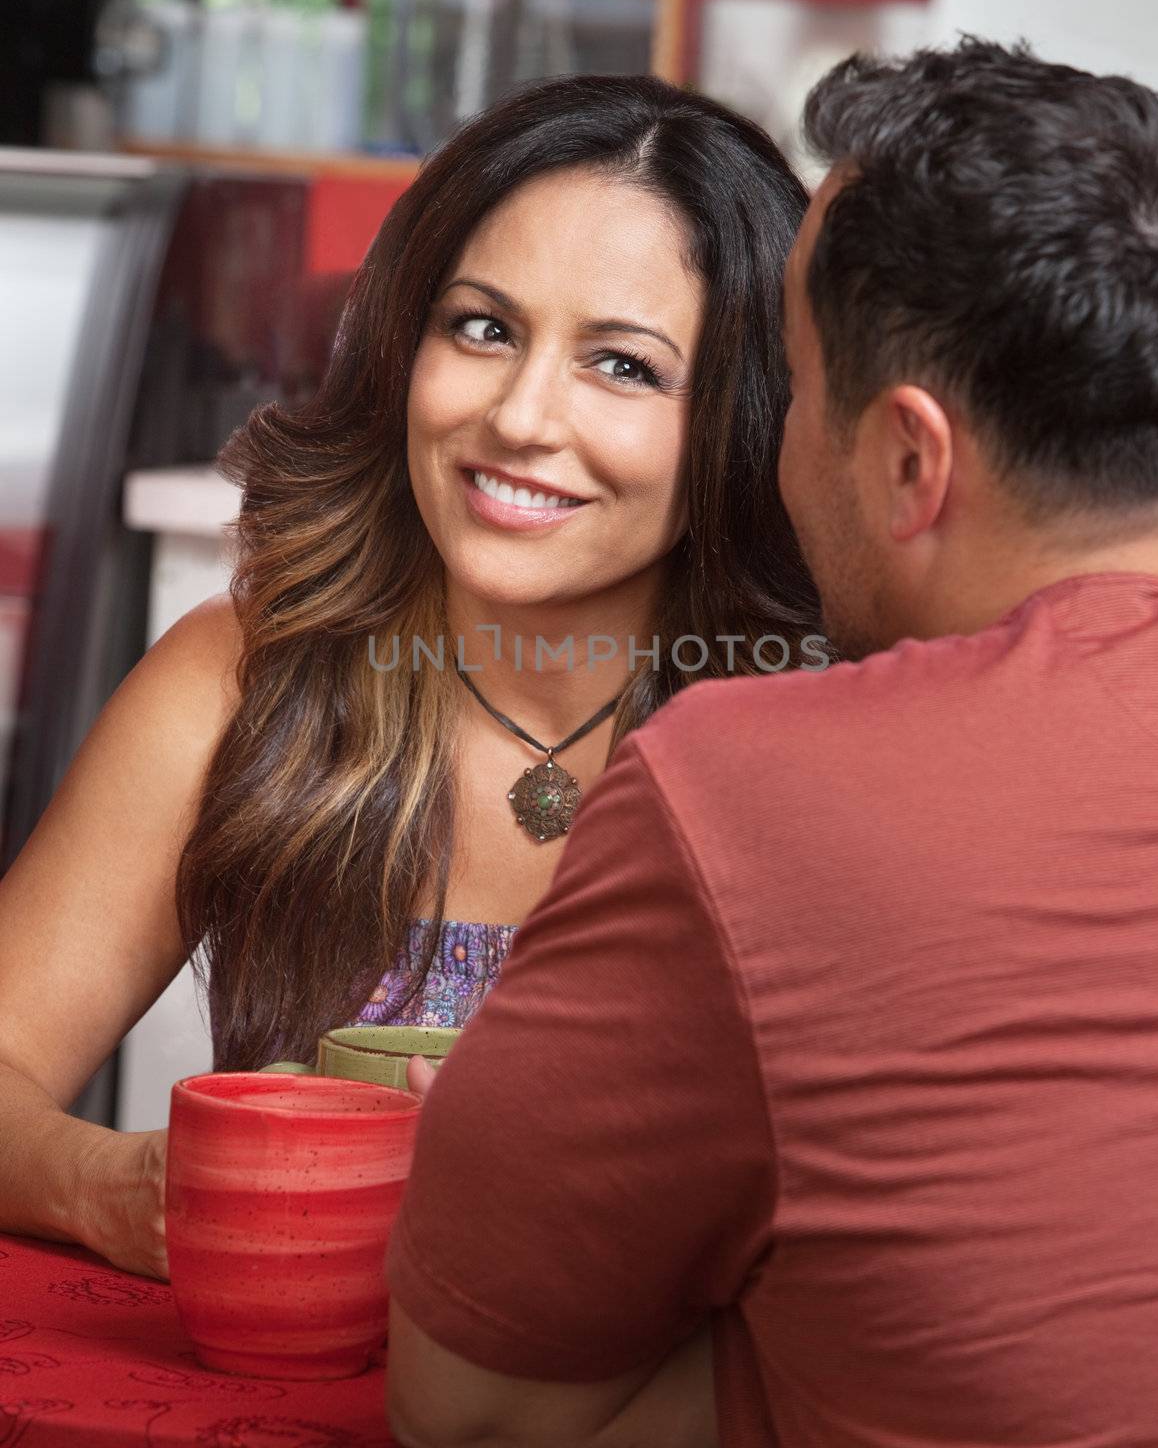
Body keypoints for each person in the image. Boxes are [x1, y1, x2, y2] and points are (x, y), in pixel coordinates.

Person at [384, 39, 1158, 1448]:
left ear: (907, 461)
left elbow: (476, 1417)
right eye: (482, 327)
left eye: (799, 387)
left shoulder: (757, 781)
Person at [0, 75, 821, 1281]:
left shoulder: (813, 742)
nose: (520, 417)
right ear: (404, 344)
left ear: (742, 423)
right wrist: (107, 1183)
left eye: (623, 367)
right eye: (481, 327)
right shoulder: (243, 678)